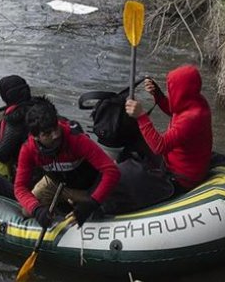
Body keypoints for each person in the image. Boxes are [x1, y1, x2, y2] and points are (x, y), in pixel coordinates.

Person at [15, 98, 120, 227]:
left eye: (55, 128)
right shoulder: (28, 149)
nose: (55, 135)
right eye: (47, 133)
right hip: (55, 184)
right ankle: (61, 208)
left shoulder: (76, 139)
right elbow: (20, 187)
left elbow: (111, 171)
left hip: (88, 188)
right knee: (27, 211)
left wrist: (92, 202)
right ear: (36, 136)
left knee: (108, 207)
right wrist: (37, 209)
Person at [124, 65, 212, 193]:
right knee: (135, 144)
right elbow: (174, 110)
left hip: (181, 177)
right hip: (176, 161)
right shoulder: (195, 101)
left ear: (182, 90)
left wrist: (141, 116)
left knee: (131, 175)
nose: (169, 91)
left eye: (171, 88)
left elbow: (159, 147)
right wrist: (158, 94)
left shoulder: (192, 118)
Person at [0, 75, 39, 173]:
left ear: (6, 96)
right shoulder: (42, 108)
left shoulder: (16, 119)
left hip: (31, 172)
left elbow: (2, 155)